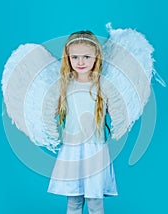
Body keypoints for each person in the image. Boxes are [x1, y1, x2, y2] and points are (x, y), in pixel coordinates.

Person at [47, 31, 118, 214]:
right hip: (72, 150)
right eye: (75, 57)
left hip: (95, 151)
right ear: (68, 58)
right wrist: (47, 128)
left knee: (95, 203)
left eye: (86, 56)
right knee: (74, 201)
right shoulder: (65, 85)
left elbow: (117, 110)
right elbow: (48, 112)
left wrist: (121, 121)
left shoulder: (103, 85)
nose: (80, 62)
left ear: (96, 57)